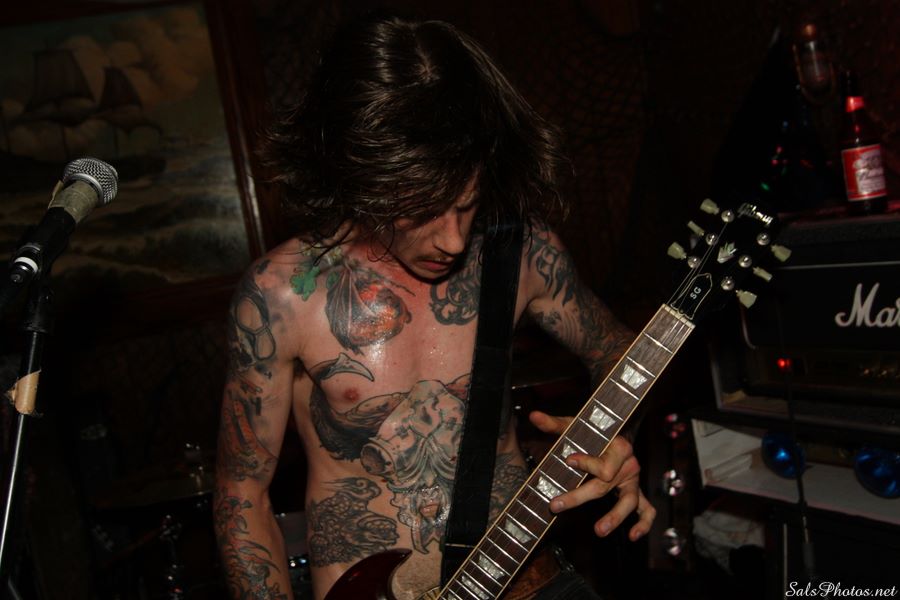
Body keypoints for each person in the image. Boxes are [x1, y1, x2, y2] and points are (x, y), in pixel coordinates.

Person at [213, 14, 656, 600]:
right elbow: (242, 493)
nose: (452, 239)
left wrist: (614, 442)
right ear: (362, 179)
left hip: (528, 581)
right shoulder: (282, 295)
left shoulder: (522, 254)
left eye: (467, 204)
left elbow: (620, 352)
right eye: (423, 209)